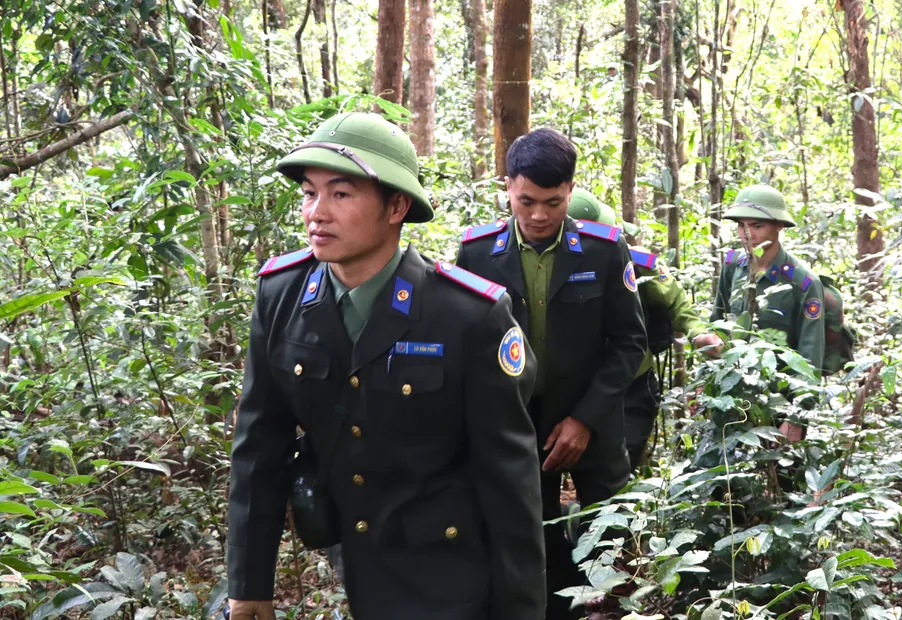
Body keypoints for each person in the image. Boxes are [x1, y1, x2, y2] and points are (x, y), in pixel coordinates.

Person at [226, 112, 546, 620]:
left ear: (396, 205)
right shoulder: (281, 295)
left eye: (341, 194)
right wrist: (248, 587)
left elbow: (511, 486)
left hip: (451, 574)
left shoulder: (468, 315)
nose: (317, 213)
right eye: (310, 193)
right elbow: (258, 451)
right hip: (350, 561)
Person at [454, 128, 646, 620]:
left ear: (570, 191)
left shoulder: (605, 250)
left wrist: (585, 420)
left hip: (593, 415)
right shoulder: (477, 253)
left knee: (614, 535)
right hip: (516, 421)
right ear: (508, 188)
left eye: (553, 203)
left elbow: (629, 343)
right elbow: (465, 347)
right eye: (527, 201)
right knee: (529, 538)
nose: (539, 215)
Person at [567, 189, 722, 468]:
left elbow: (674, 298)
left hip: (632, 381)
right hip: (577, 383)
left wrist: (697, 332)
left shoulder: (635, 262)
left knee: (621, 463)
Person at [711, 184, 825, 440]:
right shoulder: (732, 267)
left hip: (778, 406)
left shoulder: (803, 282)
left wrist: (796, 418)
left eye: (757, 226)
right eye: (741, 225)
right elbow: (717, 324)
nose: (746, 234)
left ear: (778, 226)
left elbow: (810, 356)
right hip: (732, 401)